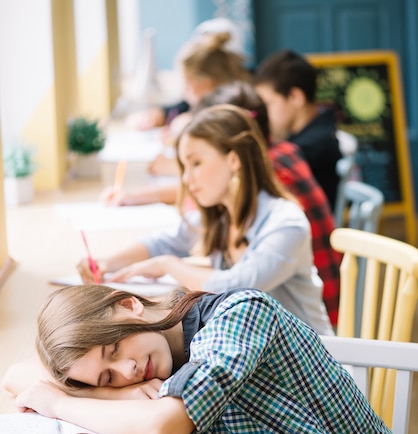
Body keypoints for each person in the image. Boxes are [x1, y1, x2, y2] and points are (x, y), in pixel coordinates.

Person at [4, 285, 417, 434]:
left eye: (114, 348)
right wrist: (111, 393)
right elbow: (17, 375)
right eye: (108, 375)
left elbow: (162, 427)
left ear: (129, 305)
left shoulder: (240, 314)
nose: (127, 369)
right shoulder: (151, 361)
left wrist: (61, 402)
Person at [80, 105, 333, 336]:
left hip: (313, 365)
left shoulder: (285, 223)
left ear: (234, 160)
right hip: (262, 352)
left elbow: (240, 288)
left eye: (196, 163)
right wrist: (107, 262)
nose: (187, 179)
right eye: (184, 167)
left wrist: (169, 265)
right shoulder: (221, 213)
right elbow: (165, 242)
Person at [193, 82, 341, 326]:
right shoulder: (280, 154)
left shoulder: (268, 180)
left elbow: (239, 284)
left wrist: (169, 265)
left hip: (314, 321)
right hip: (292, 311)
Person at [101, 30, 252, 205]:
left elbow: (209, 184)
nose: (184, 92)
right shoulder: (220, 105)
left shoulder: (226, 119)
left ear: (208, 84)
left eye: (188, 85)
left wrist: (137, 196)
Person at [254, 49, 342, 210]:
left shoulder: (308, 148)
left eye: (268, 104)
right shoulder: (321, 128)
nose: (263, 113)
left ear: (295, 97)